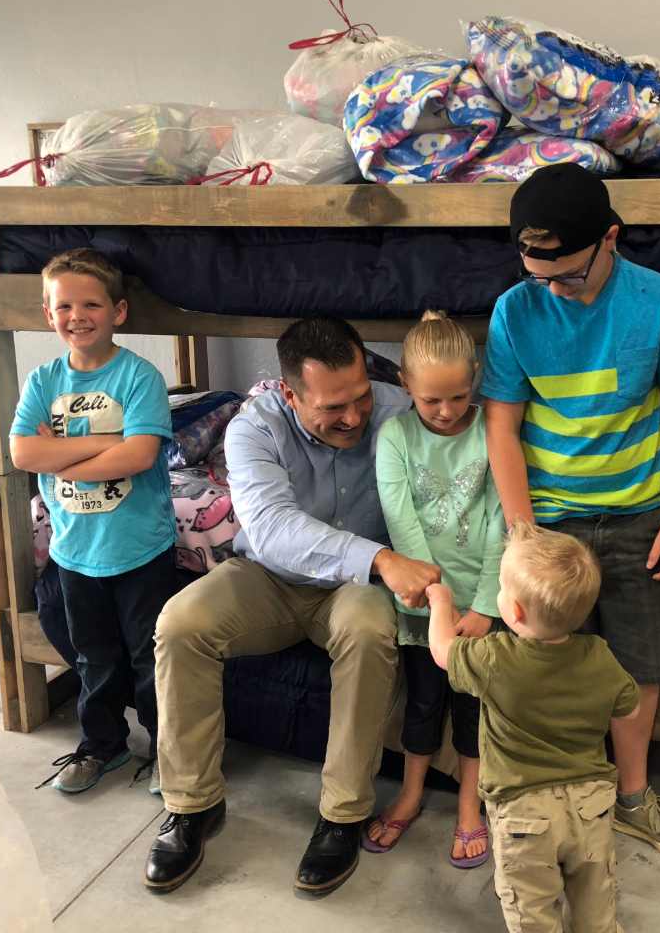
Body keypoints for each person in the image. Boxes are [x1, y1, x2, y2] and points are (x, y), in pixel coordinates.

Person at [144, 317, 441, 897]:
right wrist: (381, 559)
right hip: (271, 576)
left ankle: (343, 814)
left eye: (360, 397)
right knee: (180, 624)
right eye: (333, 407)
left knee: (366, 627)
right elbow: (274, 530)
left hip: (353, 589)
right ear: (288, 392)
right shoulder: (251, 430)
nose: (354, 417)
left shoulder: (399, 410)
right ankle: (193, 805)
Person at [481, 163, 660, 865]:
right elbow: (501, 427)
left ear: (610, 239)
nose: (553, 290)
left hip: (641, 512)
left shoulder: (658, 301)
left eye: (570, 276)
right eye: (538, 275)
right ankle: (556, 798)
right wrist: (522, 534)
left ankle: (635, 799)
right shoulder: (514, 311)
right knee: (545, 663)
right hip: (551, 521)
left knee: (640, 663)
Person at [9, 248, 177, 796]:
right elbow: (21, 455)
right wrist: (109, 441)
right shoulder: (42, 380)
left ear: (118, 312)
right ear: (47, 313)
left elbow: (140, 457)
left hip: (139, 547)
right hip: (74, 549)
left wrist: (65, 450)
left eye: (91, 304)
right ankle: (100, 745)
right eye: (64, 306)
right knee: (93, 658)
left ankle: (163, 751)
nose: (77, 315)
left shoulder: (139, 376)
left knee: (149, 658)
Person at [430, 521, 639, 933]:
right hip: (591, 805)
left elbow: (442, 652)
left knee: (533, 916)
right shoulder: (598, 654)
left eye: (502, 590)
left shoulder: (495, 659)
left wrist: (440, 601)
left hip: (524, 812)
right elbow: (628, 708)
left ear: (516, 611)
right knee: (596, 911)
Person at [366, 310, 504, 868]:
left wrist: (488, 606)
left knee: (473, 710)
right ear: (406, 386)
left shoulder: (494, 426)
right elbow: (403, 525)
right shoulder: (395, 436)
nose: (447, 413)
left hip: (481, 608)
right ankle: (411, 792)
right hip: (423, 604)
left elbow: (501, 521)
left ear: (474, 378)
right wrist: (435, 601)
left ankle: (470, 806)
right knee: (422, 704)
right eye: (431, 401)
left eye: (458, 396)